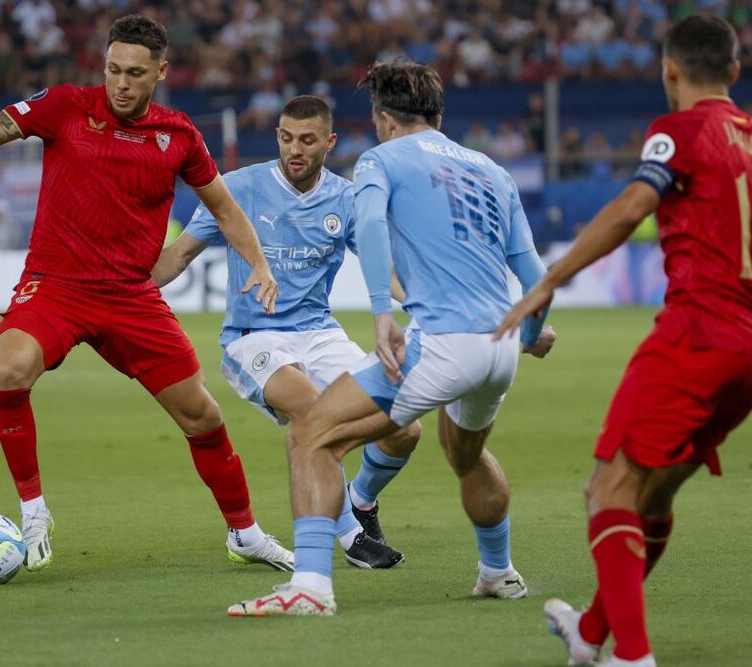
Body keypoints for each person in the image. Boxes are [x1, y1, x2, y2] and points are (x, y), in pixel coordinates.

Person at [0, 15, 294, 574]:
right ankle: (34, 511)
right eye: (112, 69)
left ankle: (245, 533)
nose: (121, 84)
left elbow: (225, 209)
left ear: (161, 71)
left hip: (131, 297)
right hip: (56, 287)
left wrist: (259, 262)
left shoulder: (178, 136)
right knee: (8, 370)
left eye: (135, 73)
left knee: (203, 417)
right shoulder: (65, 106)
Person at [494, 15, 752, 667]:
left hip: (697, 336)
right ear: (735, 70)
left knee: (609, 491)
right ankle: (591, 634)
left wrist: (549, 280)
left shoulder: (677, 131)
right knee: (652, 495)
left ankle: (634, 657)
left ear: (669, 70)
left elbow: (630, 207)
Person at [227, 60, 556, 617]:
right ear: (439, 113)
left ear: (382, 118)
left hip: (442, 344)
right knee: (466, 453)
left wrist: (382, 311)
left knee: (310, 437)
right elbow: (533, 272)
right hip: (499, 348)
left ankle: (309, 588)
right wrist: (529, 330)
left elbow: (373, 226)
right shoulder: (492, 170)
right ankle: (498, 571)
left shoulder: (381, 159)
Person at [153, 95, 420, 570]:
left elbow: (388, 273)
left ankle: (362, 499)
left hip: (319, 332)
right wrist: (111, 285)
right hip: (253, 337)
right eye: (286, 138)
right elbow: (177, 257)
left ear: (329, 142)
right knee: (312, 411)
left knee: (405, 425)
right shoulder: (238, 188)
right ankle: (351, 536)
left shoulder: (346, 198)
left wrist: (429, 307)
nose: (294, 149)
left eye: (307, 140)